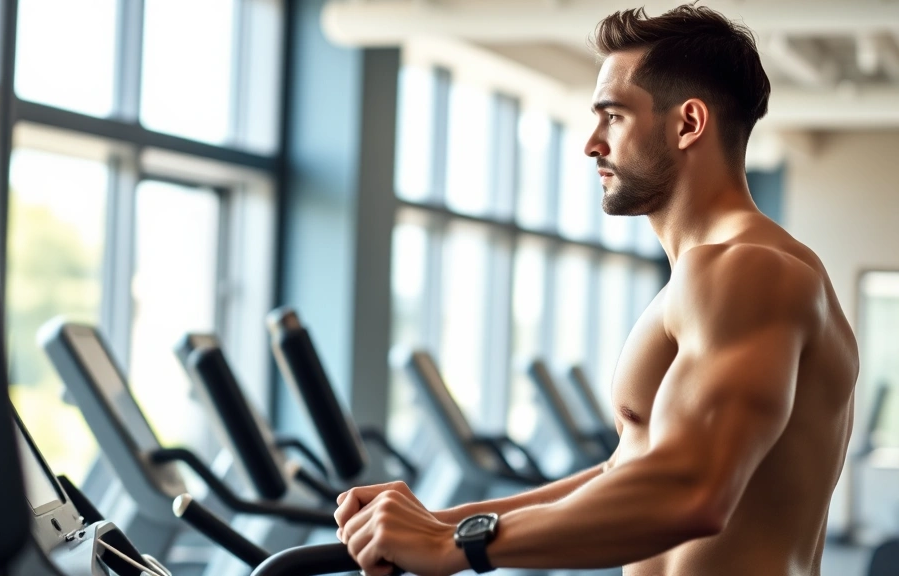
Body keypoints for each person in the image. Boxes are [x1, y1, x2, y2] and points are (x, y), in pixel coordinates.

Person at [334, 5, 860, 576]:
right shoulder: (714, 274)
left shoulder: (746, 270)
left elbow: (692, 490)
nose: (590, 143)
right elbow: (627, 470)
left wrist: (454, 547)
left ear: (688, 124)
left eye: (613, 116)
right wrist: (443, 522)